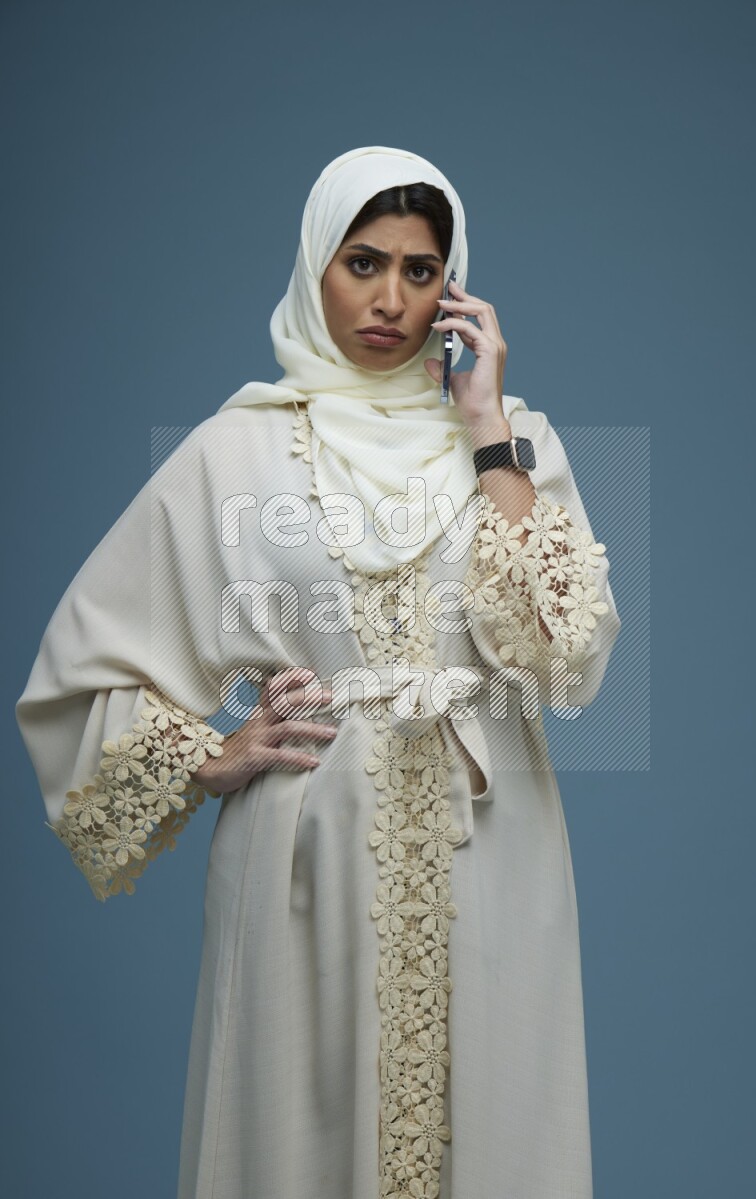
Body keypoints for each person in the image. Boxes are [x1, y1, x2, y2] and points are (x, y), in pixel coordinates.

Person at [16, 145, 621, 1198]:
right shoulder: (234, 452)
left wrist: (483, 427)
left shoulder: (517, 443)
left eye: (420, 270)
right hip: (306, 842)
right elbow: (82, 669)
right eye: (362, 262)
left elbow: (565, 653)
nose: (389, 298)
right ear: (314, 266)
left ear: (453, 287)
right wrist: (208, 754)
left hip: (490, 839)